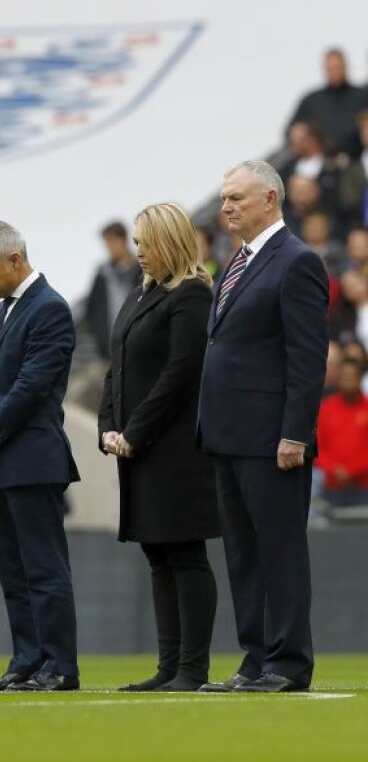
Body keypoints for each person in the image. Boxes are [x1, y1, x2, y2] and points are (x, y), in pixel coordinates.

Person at [197, 160, 328, 693]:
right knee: (243, 555)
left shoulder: (297, 262)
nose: (225, 207)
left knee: (279, 550)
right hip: (228, 435)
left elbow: (307, 357)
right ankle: (255, 659)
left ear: (270, 199)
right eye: (224, 198)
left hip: (272, 438)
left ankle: (288, 662)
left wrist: (295, 432)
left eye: (236, 198)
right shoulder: (238, 260)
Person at [97, 202, 220, 692]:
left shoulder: (192, 294)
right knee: (158, 554)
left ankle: (192, 668)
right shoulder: (140, 293)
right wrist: (108, 426)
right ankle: (169, 667)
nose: (139, 252)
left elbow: (180, 374)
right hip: (138, 449)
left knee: (184, 552)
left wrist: (135, 430)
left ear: (170, 243)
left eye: (146, 243)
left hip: (174, 450)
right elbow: (116, 368)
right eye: (136, 243)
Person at [0, 220, 80, 692]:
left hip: (33, 460)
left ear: (15, 259)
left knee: (44, 571)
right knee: (13, 573)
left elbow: (32, 386)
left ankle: (59, 666)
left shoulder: (50, 309)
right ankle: (26, 661)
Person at [289, 48, 368, 159]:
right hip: (320, 162)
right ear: (325, 69)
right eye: (331, 67)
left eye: (338, 67)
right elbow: (291, 130)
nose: (335, 71)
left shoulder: (363, 97)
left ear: (346, 67)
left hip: (356, 160)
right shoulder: (311, 101)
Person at [314, 356, 368, 510]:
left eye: (352, 377)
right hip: (331, 486)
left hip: (363, 486)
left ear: (360, 378)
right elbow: (318, 445)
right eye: (344, 377)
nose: (347, 381)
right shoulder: (326, 408)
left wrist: (352, 470)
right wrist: (333, 469)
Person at [83, 220, 140, 360]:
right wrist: (101, 339)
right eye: (107, 242)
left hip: (138, 346)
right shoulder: (102, 275)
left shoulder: (141, 271)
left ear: (123, 240)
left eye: (112, 241)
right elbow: (92, 309)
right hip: (110, 350)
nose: (109, 247)